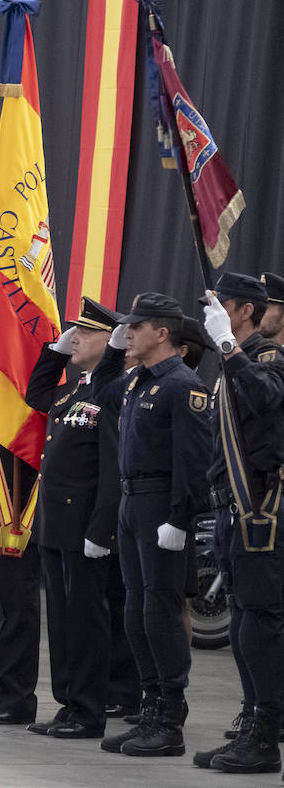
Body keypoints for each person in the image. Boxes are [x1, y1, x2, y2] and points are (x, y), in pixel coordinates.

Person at [93, 292, 211, 757]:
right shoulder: (137, 380)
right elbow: (101, 393)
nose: (129, 333)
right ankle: (150, 708)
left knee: (160, 612)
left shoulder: (183, 385)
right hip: (131, 503)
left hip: (161, 505)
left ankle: (170, 717)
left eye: (136, 327)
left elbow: (194, 459)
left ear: (162, 333)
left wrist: (180, 518)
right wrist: (110, 350)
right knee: (136, 611)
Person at [192, 274, 284, 772]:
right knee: (244, 620)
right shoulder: (234, 364)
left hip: (260, 506)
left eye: (222, 306)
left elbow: (265, 399)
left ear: (244, 310)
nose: (215, 315)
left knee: (259, 623)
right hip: (230, 505)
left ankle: (266, 735)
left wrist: (228, 346)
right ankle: (251, 720)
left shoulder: (266, 358)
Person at [23, 297, 121, 740]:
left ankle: (88, 709)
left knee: (86, 621)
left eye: (85, 333)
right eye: (73, 331)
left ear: (111, 340)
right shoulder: (74, 388)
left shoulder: (112, 389)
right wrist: (56, 352)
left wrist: (101, 529)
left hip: (85, 527)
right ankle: (67, 703)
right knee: (62, 620)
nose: (76, 337)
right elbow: (36, 393)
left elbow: (112, 466)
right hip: (55, 525)